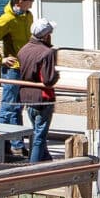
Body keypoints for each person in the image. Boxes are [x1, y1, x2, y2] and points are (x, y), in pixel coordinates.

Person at [14, 22, 59, 163]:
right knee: (40, 135)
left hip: (27, 96)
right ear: (46, 36)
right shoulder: (47, 52)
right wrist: (57, 75)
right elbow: (48, 80)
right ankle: (32, 167)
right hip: (43, 97)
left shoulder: (23, 50)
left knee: (37, 131)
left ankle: (47, 160)